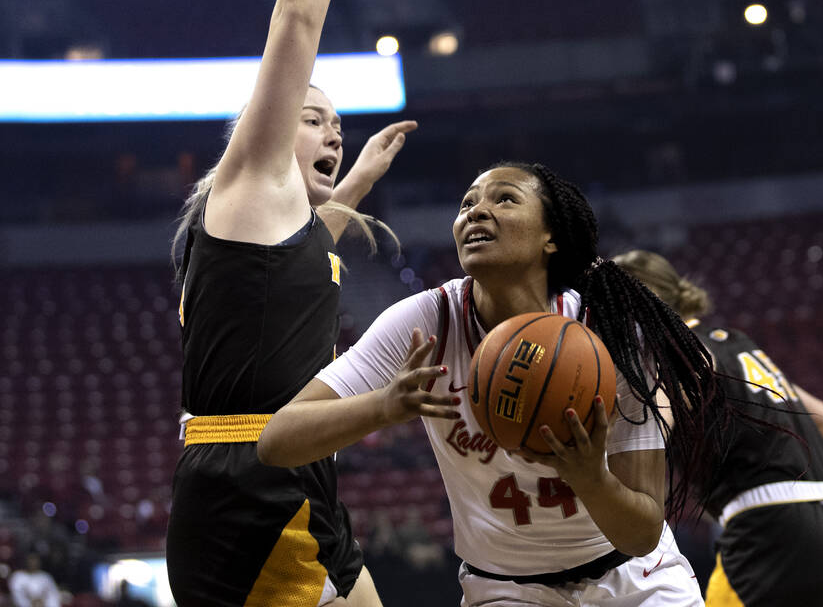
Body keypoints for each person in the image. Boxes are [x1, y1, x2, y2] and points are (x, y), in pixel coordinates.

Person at [258, 162, 733, 607]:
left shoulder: (611, 332)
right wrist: (383, 406)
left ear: (551, 237)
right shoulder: (426, 320)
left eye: (505, 199)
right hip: (506, 589)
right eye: (467, 204)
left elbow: (641, 533)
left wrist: (592, 480)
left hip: (633, 579)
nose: (476, 210)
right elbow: (277, 442)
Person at [165, 0, 412, 607]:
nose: (333, 128)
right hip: (250, 479)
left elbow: (307, 255)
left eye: (336, 123)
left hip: (293, 470)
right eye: (313, 116)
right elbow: (296, 23)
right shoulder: (248, 182)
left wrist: (357, 185)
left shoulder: (270, 231)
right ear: (263, 130)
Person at [612, 249, 823, 607]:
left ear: (643, 304)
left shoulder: (677, 354)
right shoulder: (737, 343)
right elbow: (819, 416)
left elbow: (651, 428)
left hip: (776, 528)